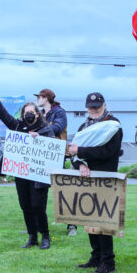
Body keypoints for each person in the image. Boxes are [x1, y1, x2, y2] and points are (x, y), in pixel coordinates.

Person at [0, 89, 54, 249]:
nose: (28, 115)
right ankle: (32, 237)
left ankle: (45, 236)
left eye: (32, 112)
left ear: (37, 114)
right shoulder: (17, 126)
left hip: (39, 176)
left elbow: (53, 149)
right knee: (25, 205)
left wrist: (39, 140)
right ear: (23, 114)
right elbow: (3, 115)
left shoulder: (45, 130)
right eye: (26, 112)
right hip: (22, 174)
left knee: (38, 205)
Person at [69, 92, 123, 273]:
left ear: (105, 105)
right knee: (90, 218)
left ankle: (108, 262)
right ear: (86, 108)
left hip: (106, 179)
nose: (94, 110)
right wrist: (81, 163)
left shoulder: (114, 125)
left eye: (97, 107)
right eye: (91, 107)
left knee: (104, 220)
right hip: (87, 180)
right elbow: (73, 152)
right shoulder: (84, 126)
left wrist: (81, 151)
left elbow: (108, 151)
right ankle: (96, 256)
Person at [35, 88, 77, 236]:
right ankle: (39, 225)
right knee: (39, 191)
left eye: (39, 97)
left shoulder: (59, 112)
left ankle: (72, 224)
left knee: (61, 190)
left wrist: (38, 131)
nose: (37, 100)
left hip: (56, 155)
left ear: (46, 98)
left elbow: (57, 128)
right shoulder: (39, 114)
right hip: (40, 155)